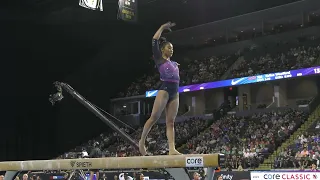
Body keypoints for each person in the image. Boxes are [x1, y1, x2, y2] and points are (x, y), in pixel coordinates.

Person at [139, 22, 182, 156]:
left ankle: (172, 149)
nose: (171, 50)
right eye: (169, 48)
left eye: (173, 48)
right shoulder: (159, 59)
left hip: (175, 92)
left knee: (171, 122)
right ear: (163, 50)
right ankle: (141, 142)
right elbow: (154, 40)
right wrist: (163, 27)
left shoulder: (174, 63)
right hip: (164, 90)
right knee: (154, 117)